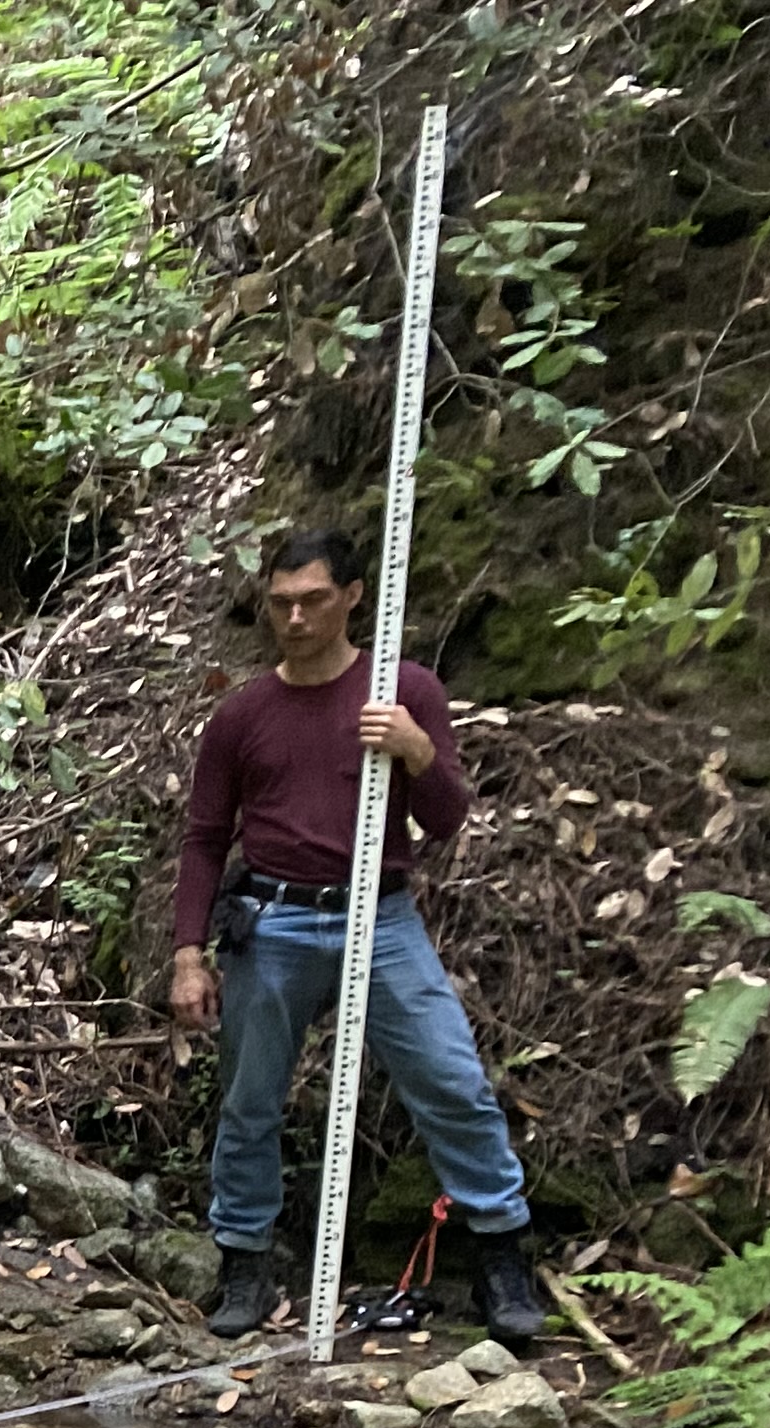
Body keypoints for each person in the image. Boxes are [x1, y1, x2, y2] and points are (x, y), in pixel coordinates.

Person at [170, 523, 543, 1347]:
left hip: (382, 917)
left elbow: (444, 819)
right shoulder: (242, 715)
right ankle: (245, 1258)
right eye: (280, 604)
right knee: (250, 1098)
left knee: (451, 1079)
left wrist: (414, 750)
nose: (295, 619)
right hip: (270, 921)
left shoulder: (402, 690)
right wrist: (188, 953)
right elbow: (203, 838)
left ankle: (502, 1254)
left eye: (312, 601)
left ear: (350, 598)